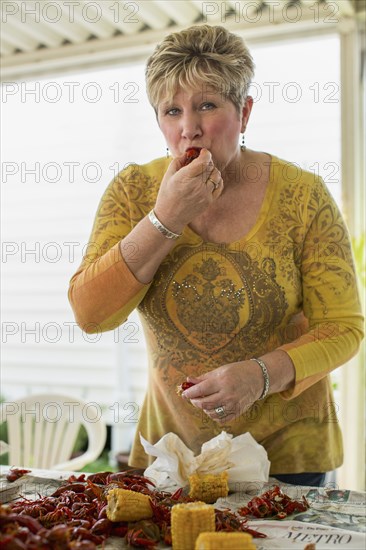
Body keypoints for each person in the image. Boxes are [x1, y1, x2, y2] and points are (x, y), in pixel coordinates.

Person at [68, 25, 364, 487]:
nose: (190, 128)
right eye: (172, 110)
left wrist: (261, 375)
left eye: (207, 105)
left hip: (290, 459)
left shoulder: (304, 195)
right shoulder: (132, 192)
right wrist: (165, 218)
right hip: (172, 458)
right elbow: (91, 315)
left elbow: (344, 328)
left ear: (243, 113)